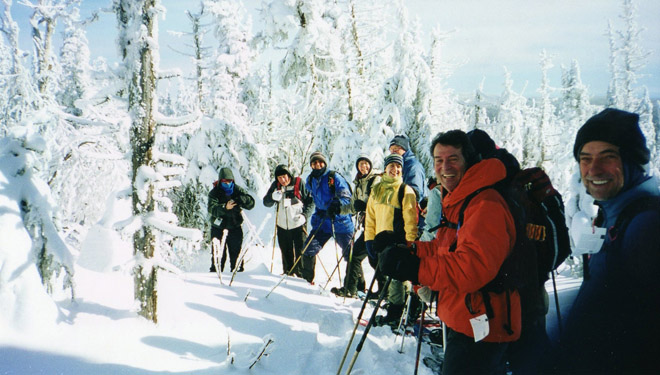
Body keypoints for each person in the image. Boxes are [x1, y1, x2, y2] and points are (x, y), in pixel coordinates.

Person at [376, 130, 520, 375]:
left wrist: (414, 267)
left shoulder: (484, 203)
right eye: (439, 160)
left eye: (453, 159)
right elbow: (444, 247)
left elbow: (472, 268)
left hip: (482, 324)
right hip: (465, 315)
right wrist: (407, 248)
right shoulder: (460, 198)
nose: (445, 167)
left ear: (469, 161)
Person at [548, 108, 660, 374]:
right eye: (585, 159)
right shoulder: (617, 215)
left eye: (608, 157)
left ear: (632, 161)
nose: (593, 169)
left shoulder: (645, 226)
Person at [363, 153, 418, 327]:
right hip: (381, 241)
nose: (395, 170)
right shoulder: (377, 189)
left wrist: (410, 243)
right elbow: (370, 217)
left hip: (398, 241)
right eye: (392, 166)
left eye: (398, 167)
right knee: (392, 277)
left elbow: (411, 220)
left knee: (397, 278)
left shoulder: (405, 190)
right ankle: (404, 306)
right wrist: (369, 239)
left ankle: (396, 311)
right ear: (385, 168)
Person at [331, 155, 381, 297]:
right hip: (369, 227)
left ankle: (352, 289)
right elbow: (353, 206)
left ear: (370, 166)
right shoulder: (359, 182)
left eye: (366, 164)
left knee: (368, 258)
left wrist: (365, 206)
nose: (363, 167)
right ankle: (351, 289)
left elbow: (379, 201)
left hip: (379, 226)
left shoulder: (375, 180)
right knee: (360, 256)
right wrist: (339, 210)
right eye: (360, 165)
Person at [302, 151, 354, 285]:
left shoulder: (334, 177)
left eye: (320, 162)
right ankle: (306, 282)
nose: (317, 165)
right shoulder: (310, 180)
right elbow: (312, 197)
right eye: (314, 162)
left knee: (351, 255)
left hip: (341, 222)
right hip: (322, 222)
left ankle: (355, 286)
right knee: (308, 249)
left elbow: (346, 196)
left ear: (325, 163)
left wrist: (337, 204)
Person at [263, 164, 314, 276]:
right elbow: (266, 202)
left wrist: (304, 216)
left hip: (298, 224)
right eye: (279, 178)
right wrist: (272, 197)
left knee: (301, 251)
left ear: (289, 175)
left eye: (284, 176)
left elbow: (311, 202)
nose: (282, 180)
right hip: (282, 226)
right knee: (286, 252)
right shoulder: (276, 186)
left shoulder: (299, 183)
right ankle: (288, 274)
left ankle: (301, 276)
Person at [208, 167, 255, 272]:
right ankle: (215, 278)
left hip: (235, 227)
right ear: (220, 181)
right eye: (225, 181)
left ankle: (238, 277)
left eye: (230, 181)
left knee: (236, 255)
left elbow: (251, 204)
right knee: (218, 256)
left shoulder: (237, 190)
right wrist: (225, 207)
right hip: (218, 228)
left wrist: (244, 199)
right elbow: (212, 208)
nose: (227, 184)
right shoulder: (214, 192)